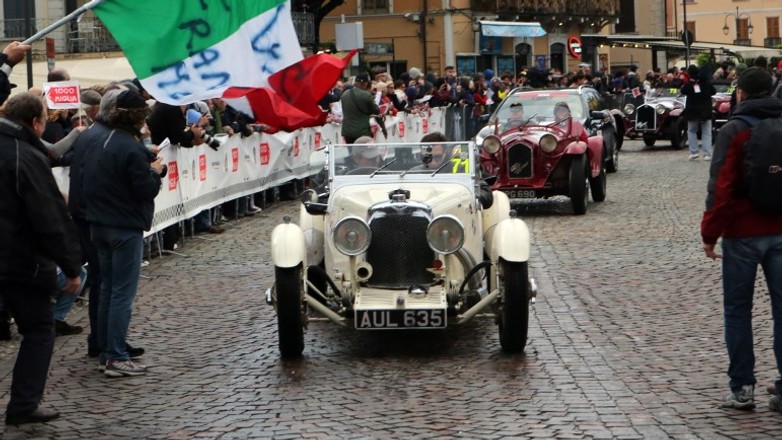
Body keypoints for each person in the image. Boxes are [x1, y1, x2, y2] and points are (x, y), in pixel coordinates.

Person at [700, 66, 782, 412]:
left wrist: (709, 234)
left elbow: (721, 188)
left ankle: (742, 388)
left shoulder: (734, 130)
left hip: (742, 234)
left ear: (741, 93)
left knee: (738, 312)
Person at [0, 91, 82, 425]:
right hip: (20, 262)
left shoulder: (26, 153)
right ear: (36, 123)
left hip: (14, 258)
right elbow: (49, 219)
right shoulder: (26, 156)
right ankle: (23, 404)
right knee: (38, 329)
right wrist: (73, 267)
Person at [82, 89, 164, 377]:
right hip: (123, 226)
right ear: (138, 117)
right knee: (120, 293)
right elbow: (145, 189)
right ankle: (115, 356)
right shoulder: (127, 146)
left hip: (98, 223)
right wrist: (154, 171)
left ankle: (108, 349)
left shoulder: (98, 137)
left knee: (106, 289)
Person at [681, 64, 716, 161]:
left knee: (691, 131)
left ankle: (694, 152)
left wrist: (690, 82)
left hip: (693, 111)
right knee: (707, 132)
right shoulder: (706, 82)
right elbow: (714, 91)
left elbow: (683, 91)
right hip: (706, 110)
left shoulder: (690, 84)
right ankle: (707, 154)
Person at [340, 73, 380, 144]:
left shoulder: (344, 94)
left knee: (352, 154)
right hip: (362, 131)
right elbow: (376, 111)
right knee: (363, 154)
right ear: (365, 83)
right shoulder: (366, 95)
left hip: (347, 132)